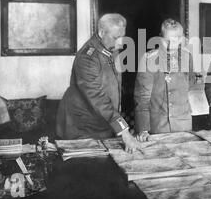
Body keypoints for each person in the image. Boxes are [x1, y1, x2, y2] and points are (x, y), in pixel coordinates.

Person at [56, 13, 140, 153]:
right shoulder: (87, 57)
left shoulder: (111, 48)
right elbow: (97, 96)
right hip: (82, 128)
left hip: (102, 123)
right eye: (116, 37)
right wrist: (124, 131)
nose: (121, 42)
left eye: (122, 37)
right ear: (101, 33)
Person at [134, 19, 198, 141]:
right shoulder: (149, 59)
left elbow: (190, 85)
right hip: (158, 125)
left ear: (181, 39)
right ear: (160, 38)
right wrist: (143, 128)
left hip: (183, 125)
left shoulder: (187, 57)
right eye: (166, 40)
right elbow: (142, 97)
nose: (170, 45)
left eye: (175, 40)